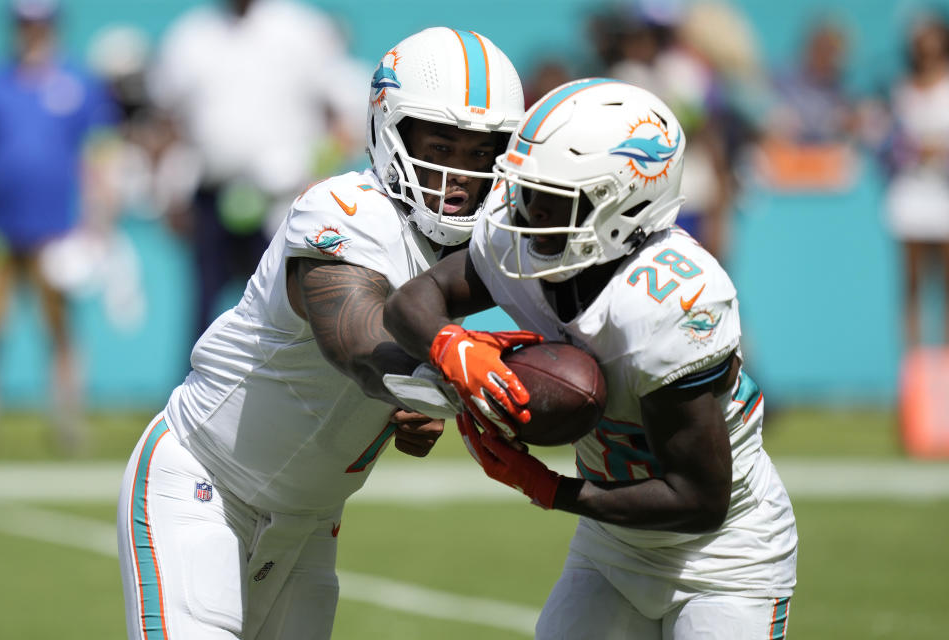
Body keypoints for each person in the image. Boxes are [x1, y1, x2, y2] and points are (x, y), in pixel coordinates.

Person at [116, 27, 523, 640]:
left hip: (309, 523)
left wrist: (409, 400)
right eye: (441, 145)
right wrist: (447, 371)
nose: (458, 174)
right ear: (392, 133)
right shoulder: (344, 209)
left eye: (478, 153)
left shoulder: (472, 245)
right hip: (205, 482)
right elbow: (356, 343)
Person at [384, 79, 797, 639]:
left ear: (624, 201)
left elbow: (699, 500)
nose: (526, 215)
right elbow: (413, 301)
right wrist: (449, 347)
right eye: (527, 190)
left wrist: (548, 488)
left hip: (723, 558)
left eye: (552, 196)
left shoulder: (670, 300)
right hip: (612, 545)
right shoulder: (525, 239)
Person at [148, 0, 371, 340]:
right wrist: (169, 191)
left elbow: (343, 115)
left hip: (285, 200)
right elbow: (166, 121)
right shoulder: (190, 36)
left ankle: (291, 389)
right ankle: (200, 389)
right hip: (211, 194)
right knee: (204, 304)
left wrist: (316, 178)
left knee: (285, 305)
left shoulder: (302, 29)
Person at [0, 0, 118, 450]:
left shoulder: (77, 83)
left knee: (59, 328)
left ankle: (68, 421)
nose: (33, 32)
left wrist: (99, 216)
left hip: (57, 229)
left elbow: (98, 152)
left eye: (40, 24)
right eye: (26, 24)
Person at [884, 14, 949, 347]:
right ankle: (915, 364)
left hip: (944, 194)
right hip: (910, 194)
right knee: (912, 284)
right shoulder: (900, 90)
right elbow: (891, 142)